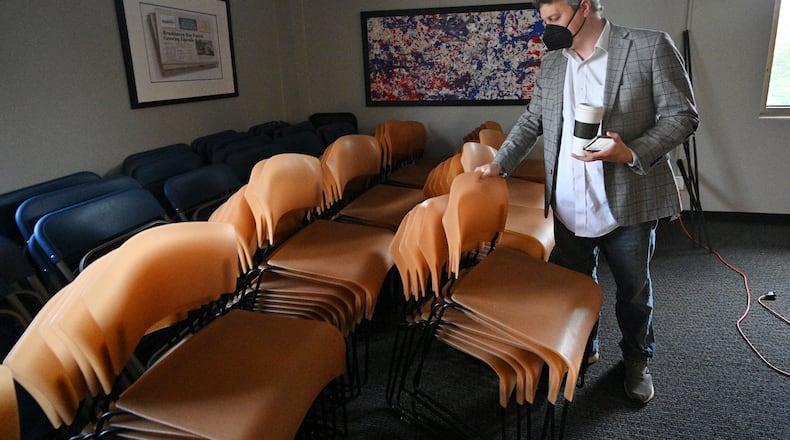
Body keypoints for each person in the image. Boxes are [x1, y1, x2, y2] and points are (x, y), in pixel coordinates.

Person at [476, 0, 698, 404]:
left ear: (584, 8)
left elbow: (682, 116)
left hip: (626, 204)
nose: (548, 28)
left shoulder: (649, 46)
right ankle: (584, 345)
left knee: (633, 292)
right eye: (544, 20)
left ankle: (636, 360)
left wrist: (630, 152)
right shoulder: (552, 64)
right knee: (576, 286)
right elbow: (532, 119)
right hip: (567, 204)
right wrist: (499, 163)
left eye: (555, 18)